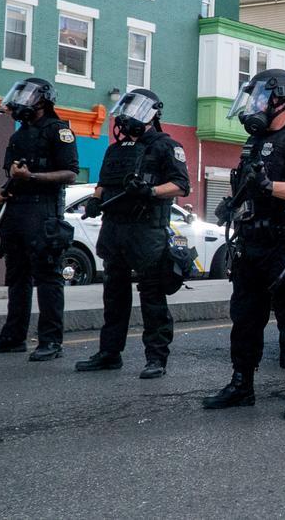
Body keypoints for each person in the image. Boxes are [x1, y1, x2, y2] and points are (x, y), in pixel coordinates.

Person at [203, 68, 285, 421]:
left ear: (280, 100)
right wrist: (231, 202)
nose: (255, 105)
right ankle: (241, 384)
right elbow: (246, 182)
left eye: (260, 97)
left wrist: (271, 188)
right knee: (245, 318)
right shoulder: (254, 142)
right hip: (251, 243)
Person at [74, 89, 190, 380]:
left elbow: (180, 185)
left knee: (152, 298)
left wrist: (151, 191)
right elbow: (104, 182)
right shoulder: (116, 149)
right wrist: (95, 199)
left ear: (152, 115)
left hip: (146, 231)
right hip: (115, 230)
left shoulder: (166, 146)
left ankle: (156, 358)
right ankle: (109, 353)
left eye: (136, 110)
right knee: (114, 297)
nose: (127, 117)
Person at [0, 79, 78, 361]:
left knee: (47, 278)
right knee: (16, 277)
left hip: (44, 213)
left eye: (27, 96)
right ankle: (13, 337)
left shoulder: (59, 131)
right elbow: (13, 172)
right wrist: (2, 190)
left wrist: (32, 177)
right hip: (16, 212)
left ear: (43, 101)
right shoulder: (19, 135)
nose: (21, 101)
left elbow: (70, 173)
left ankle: (50, 341)